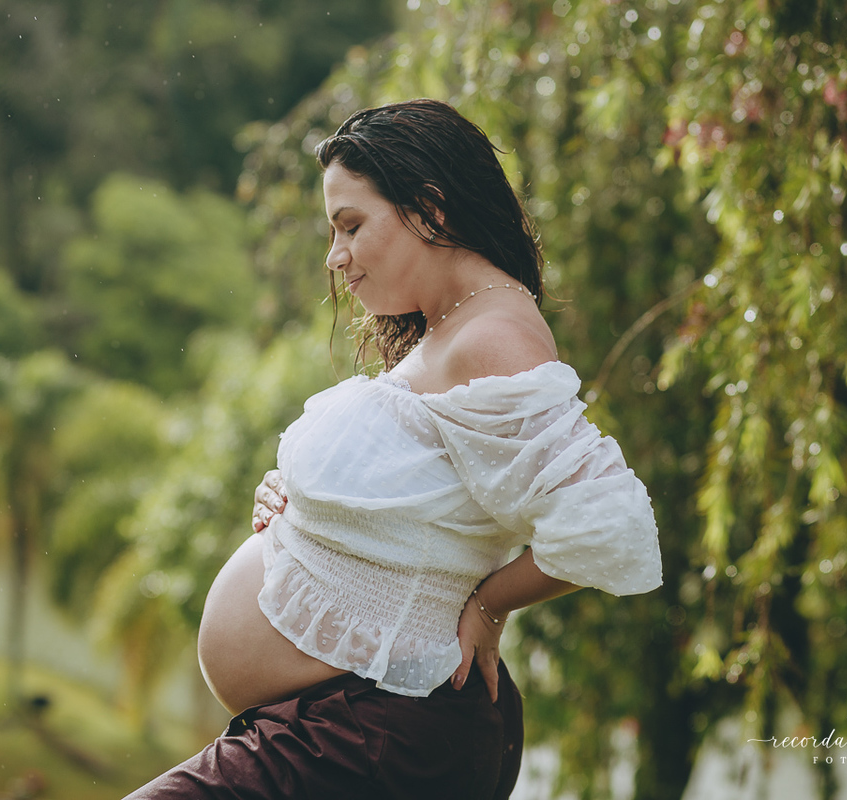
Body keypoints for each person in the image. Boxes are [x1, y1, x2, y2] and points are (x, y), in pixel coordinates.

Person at [123, 99, 662, 800]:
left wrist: (492, 605)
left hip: (378, 731)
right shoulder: (451, 331)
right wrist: (296, 507)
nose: (335, 256)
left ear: (430, 210)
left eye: (351, 225)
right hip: (348, 726)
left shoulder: (492, 337)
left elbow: (606, 523)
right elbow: (418, 496)